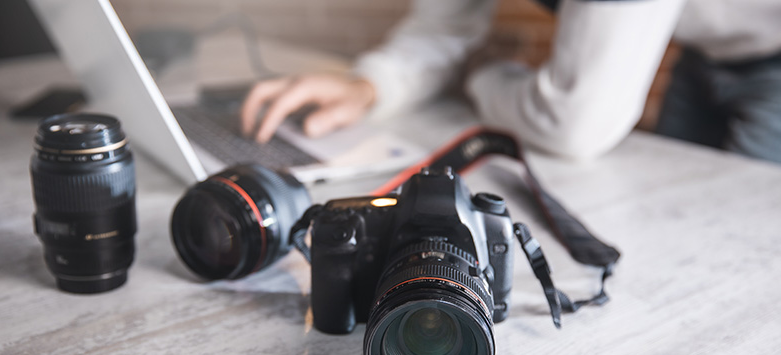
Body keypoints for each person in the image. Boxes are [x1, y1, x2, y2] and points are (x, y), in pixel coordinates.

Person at [241, 0, 781, 164]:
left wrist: (480, 76)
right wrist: (370, 84)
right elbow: (446, 22)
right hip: (706, 44)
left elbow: (574, 123)